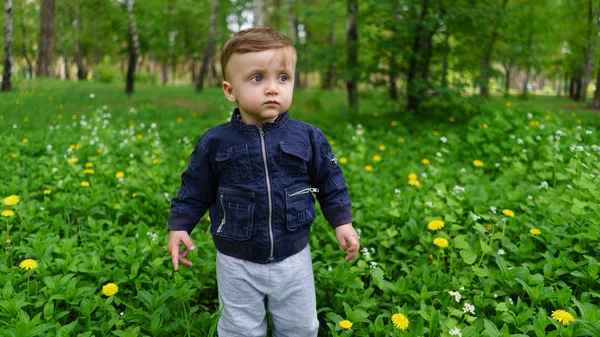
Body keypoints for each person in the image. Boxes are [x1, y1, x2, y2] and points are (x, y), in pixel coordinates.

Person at [166, 27, 359, 337]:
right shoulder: (215, 141)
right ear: (230, 90)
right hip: (236, 259)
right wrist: (179, 225)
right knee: (240, 329)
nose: (272, 88)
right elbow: (194, 188)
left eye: (283, 78)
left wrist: (342, 222)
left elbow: (330, 181)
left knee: (301, 327)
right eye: (257, 78)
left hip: (293, 256)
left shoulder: (308, 136)